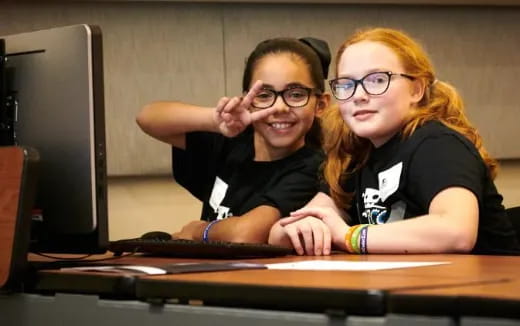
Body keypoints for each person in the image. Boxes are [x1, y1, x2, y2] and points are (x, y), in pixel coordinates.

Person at [268, 27, 520, 255]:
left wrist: (349, 236)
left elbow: (456, 231)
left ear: (416, 89)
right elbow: (280, 234)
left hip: (484, 295)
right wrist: (305, 227)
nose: (359, 95)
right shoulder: (356, 156)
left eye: (377, 80)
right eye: (346, 84)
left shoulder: (436, 143)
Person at [136, 37, 331, 244]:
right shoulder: (231, 140)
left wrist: (198, 231)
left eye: (296, 94)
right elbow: (147, 117)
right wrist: (214, 120)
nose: (279, 107)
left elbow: (244, 234)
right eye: (264, 95)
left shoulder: (315, 168)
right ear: (247, 100)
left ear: (320, 104)